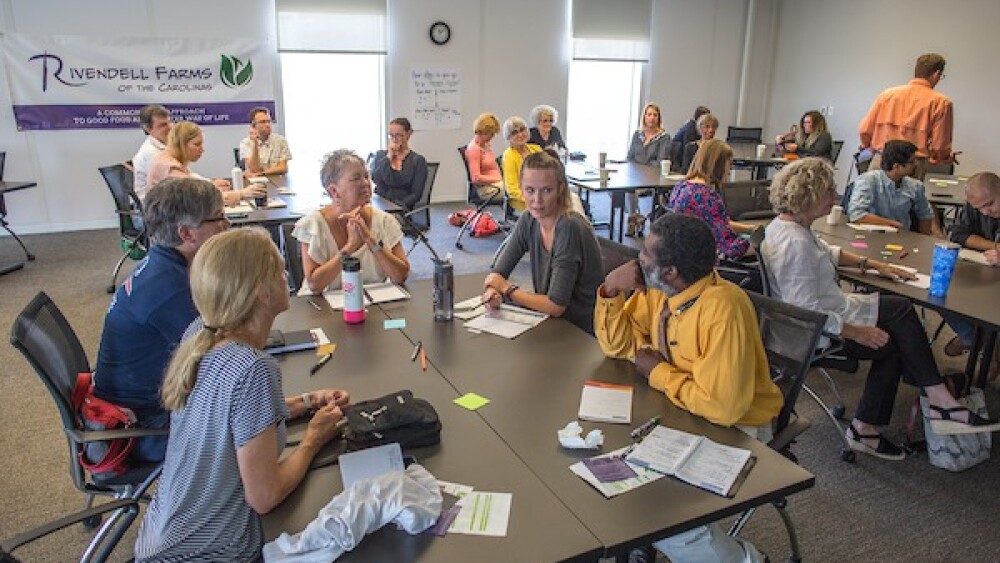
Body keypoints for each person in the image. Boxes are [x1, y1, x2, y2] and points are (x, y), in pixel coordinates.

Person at [134, 228, 350, 561]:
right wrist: (313, 439)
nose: (286, 276)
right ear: (260, 292)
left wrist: (307, 402)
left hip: (164, 537)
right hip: (212, 551)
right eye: (279, 270)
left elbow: (231, 418)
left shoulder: (201, 333)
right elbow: (265, 495)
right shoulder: (253, 369)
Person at [763, 157, 1000, 461]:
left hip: (827, 312)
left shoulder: (792, 227)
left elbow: (827, 253)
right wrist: (857, 333)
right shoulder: (794, 243)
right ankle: (928, 404)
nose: (836, 197)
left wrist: (874, 265)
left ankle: (912, 408)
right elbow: (805, 311)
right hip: (814, 333)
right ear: (810, 196)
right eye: (829, 192)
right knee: (898, 330)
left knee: (900, 318)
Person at [595, 213, 781, 563]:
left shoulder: (724, 308)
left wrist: (659, 372)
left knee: (668, 516)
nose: (638, 259)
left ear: (670, 271)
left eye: (646, 254)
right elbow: (618, 346)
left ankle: (747, 560)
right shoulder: (660, 291)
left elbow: (723, 407)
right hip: (680, 410)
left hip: (736, 428)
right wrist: (611, 289)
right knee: (605, 461)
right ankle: (641, 536)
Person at [93, 178, 229, 463]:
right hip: (143, 429)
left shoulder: (163, 267)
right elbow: (221, 362)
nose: (227, 225)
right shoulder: (169, 291)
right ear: (186, 233)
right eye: (219, 217)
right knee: (255, 422)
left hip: (142, 407)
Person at [484, 151, 603, 335]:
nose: (537, 200)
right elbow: (498, 272)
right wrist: (493, 291)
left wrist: (506, 289)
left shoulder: (569, 227)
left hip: (582, 334)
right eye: (530, 190)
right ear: (521, 188)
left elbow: (556, 305)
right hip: (552, 324)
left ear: (560, 188)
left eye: (546, 190)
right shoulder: (528, 219)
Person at [294, 149, 409, 294]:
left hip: (372, 304)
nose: (365, 183)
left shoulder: (384, 220)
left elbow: (401, 276)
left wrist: (371, 241)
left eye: (366, 177)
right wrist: (350, 247)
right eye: (356, 179)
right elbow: (315, 285)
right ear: (334, 191)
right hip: (321, 308)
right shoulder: (313, 225)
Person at [858, 53, 959, 178]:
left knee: (873, 196)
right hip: (911, 167)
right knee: (907, 197)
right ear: (936, 74)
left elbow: (864, 129)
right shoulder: (941, 103)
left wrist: (869, 147)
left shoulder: (887, 95)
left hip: (881, 161)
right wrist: (945, 157)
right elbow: (939, 146)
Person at [667, 138, 754, 261]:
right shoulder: (707, 197)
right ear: (719, 165)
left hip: (681, 255)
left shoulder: (682, 186)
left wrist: (749, 228)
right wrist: (763, 245)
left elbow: (717, 222)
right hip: (699, 261)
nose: (729, 171)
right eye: (729, 164)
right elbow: (731, 248)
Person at [943, 172, 1000, 357]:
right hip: (983, 271)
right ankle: (975, 339)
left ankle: (985, 348)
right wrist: (995, 246)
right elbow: (958, 234)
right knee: (941, 292)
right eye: (979, 208)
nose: (985, 212)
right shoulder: (976, 205)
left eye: (989, 204)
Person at [147, 120, 263, 206]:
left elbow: (192, 182)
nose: (202, 149)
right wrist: (242, 194)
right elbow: (201, 198)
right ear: (181, 144)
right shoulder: (169, 167)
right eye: (197, 144)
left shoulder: (169, 159)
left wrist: (211, 184)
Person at [847, 139, 944, 237]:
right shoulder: (868, 180)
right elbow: (857, 214)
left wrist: (924, 240)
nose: (916, 164)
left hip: (902, 238)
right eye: (912, 161)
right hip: (870, 236)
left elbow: (925, 215)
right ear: (896, 166)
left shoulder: (915, 186)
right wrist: (892, 224)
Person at [625, 102, 671, 237]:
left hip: (651, 177)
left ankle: (632, 222)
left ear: (659, 118)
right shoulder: (637, 135)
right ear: (644, 117)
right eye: (649, 114)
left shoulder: (664, 137)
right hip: (634, 175)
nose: (651, 118)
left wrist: (641, 168)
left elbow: (660, 161)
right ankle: (636, 217)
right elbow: (630, 157)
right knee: (614, 191)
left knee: (629, 191)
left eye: (655, 115)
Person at [370, 117, 429, 212]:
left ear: (408, 134)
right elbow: (376, 179)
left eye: (398, 135)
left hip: (400, 208)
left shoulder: (417, 161)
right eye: (391, 135)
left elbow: (416, 194)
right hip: (380, 206)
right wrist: (389, 157)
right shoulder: (381, 156)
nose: (394, 139)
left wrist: (396, 206)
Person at [501, 116, 543, 213]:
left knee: (573, 199)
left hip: (542, 194)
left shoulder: (537, 149)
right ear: (508, 137)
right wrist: (535, 199)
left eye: (522, 130)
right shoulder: (509, 156)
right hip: (523, 202)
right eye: (514, 132)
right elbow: (512, 190)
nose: (520, 134)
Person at [132, 104, 172, 201]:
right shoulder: (151, 153)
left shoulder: (165, 146)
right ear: (149, 129)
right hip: (155, 205)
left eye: (169, 122)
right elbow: (175, 179)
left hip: (166, 197)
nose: (170, 128)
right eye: (163, 125)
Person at [239, 107, 292, 176]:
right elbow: (254, 169)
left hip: (277, 180)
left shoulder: (280, 140)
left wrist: (262, 173)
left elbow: (283, 167)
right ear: (253, 125)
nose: (267, 125)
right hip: (255, 183)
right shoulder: (245, 143)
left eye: (268, 121)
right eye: (262, 122)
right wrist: (255, 143)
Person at [465, 112, 504, 202]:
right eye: (490, 134)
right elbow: (476, 178)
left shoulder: (486, 145)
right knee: (514, 190)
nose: (492, 136)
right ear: (483, 131)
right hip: (487, 189)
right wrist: (497, 179)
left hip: (496, 185)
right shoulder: (474, 149)